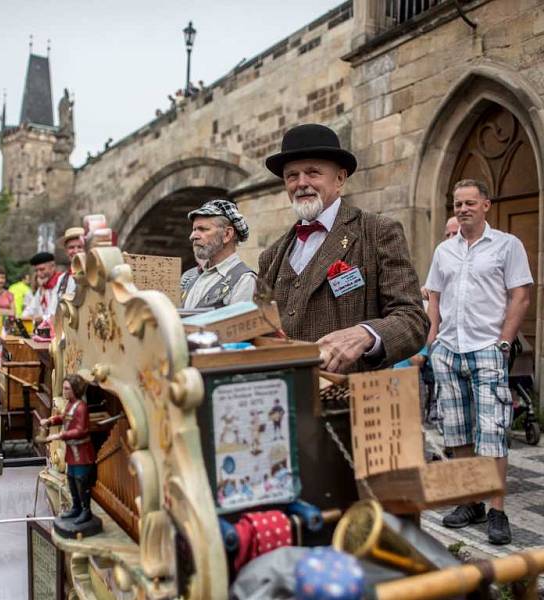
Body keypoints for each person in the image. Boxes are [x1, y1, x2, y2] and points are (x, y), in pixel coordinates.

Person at [258, 123, 428, 373]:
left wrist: (366, 335)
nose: (301, 183)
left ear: (339, 179)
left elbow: (413, 320)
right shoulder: (271, 256)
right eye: (292, 176)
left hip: (353, 400)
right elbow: (258, 327)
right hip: (285, 398)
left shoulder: (378, 231)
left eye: (313, 172)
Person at [426, 178, 533, 546]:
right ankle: (469, 502)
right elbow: (434, 299)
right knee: (456, 431)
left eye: (470, 203)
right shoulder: (444, 251)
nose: (463, 209)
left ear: (486, 204)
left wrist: (504, 341)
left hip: (488, 347)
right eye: (458, 204)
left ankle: (497, 510)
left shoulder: (507, 245)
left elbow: (520, 296)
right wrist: (432, 343)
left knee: (492, 432)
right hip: (449, 349)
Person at [40, 374, 96, 525]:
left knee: (81, 483)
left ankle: (86, 511)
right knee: (71, 480)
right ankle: (76, 507)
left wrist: (59, 435)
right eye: (64, 388)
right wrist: (50, 421)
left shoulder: (81, 408)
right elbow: (63, 418)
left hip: (82, 454)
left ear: (75, 390)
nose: (63, 391)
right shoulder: (70, 404)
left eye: (67, 388)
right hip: (72, 453)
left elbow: (80, 430)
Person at [182, 200, 256, 310]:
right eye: (194, 229)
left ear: (227, 234)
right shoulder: (194, 277)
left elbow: (236, 326)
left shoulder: (244, 280)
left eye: (203, 229)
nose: (193, 236)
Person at [22, 252, 64, 322]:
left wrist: (42, 318)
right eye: (36, 270)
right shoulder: (42, 288)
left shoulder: (62, 284)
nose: (38, 274)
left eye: (42, 269)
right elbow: (31, 308)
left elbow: (58, 313)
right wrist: (22, 317)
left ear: (53, 267)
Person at [57, 227, 85, 298]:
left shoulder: (93, 275)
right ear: (66, 252)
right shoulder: (62, 279)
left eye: (80, 247)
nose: (76, 251)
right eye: (71, 247)